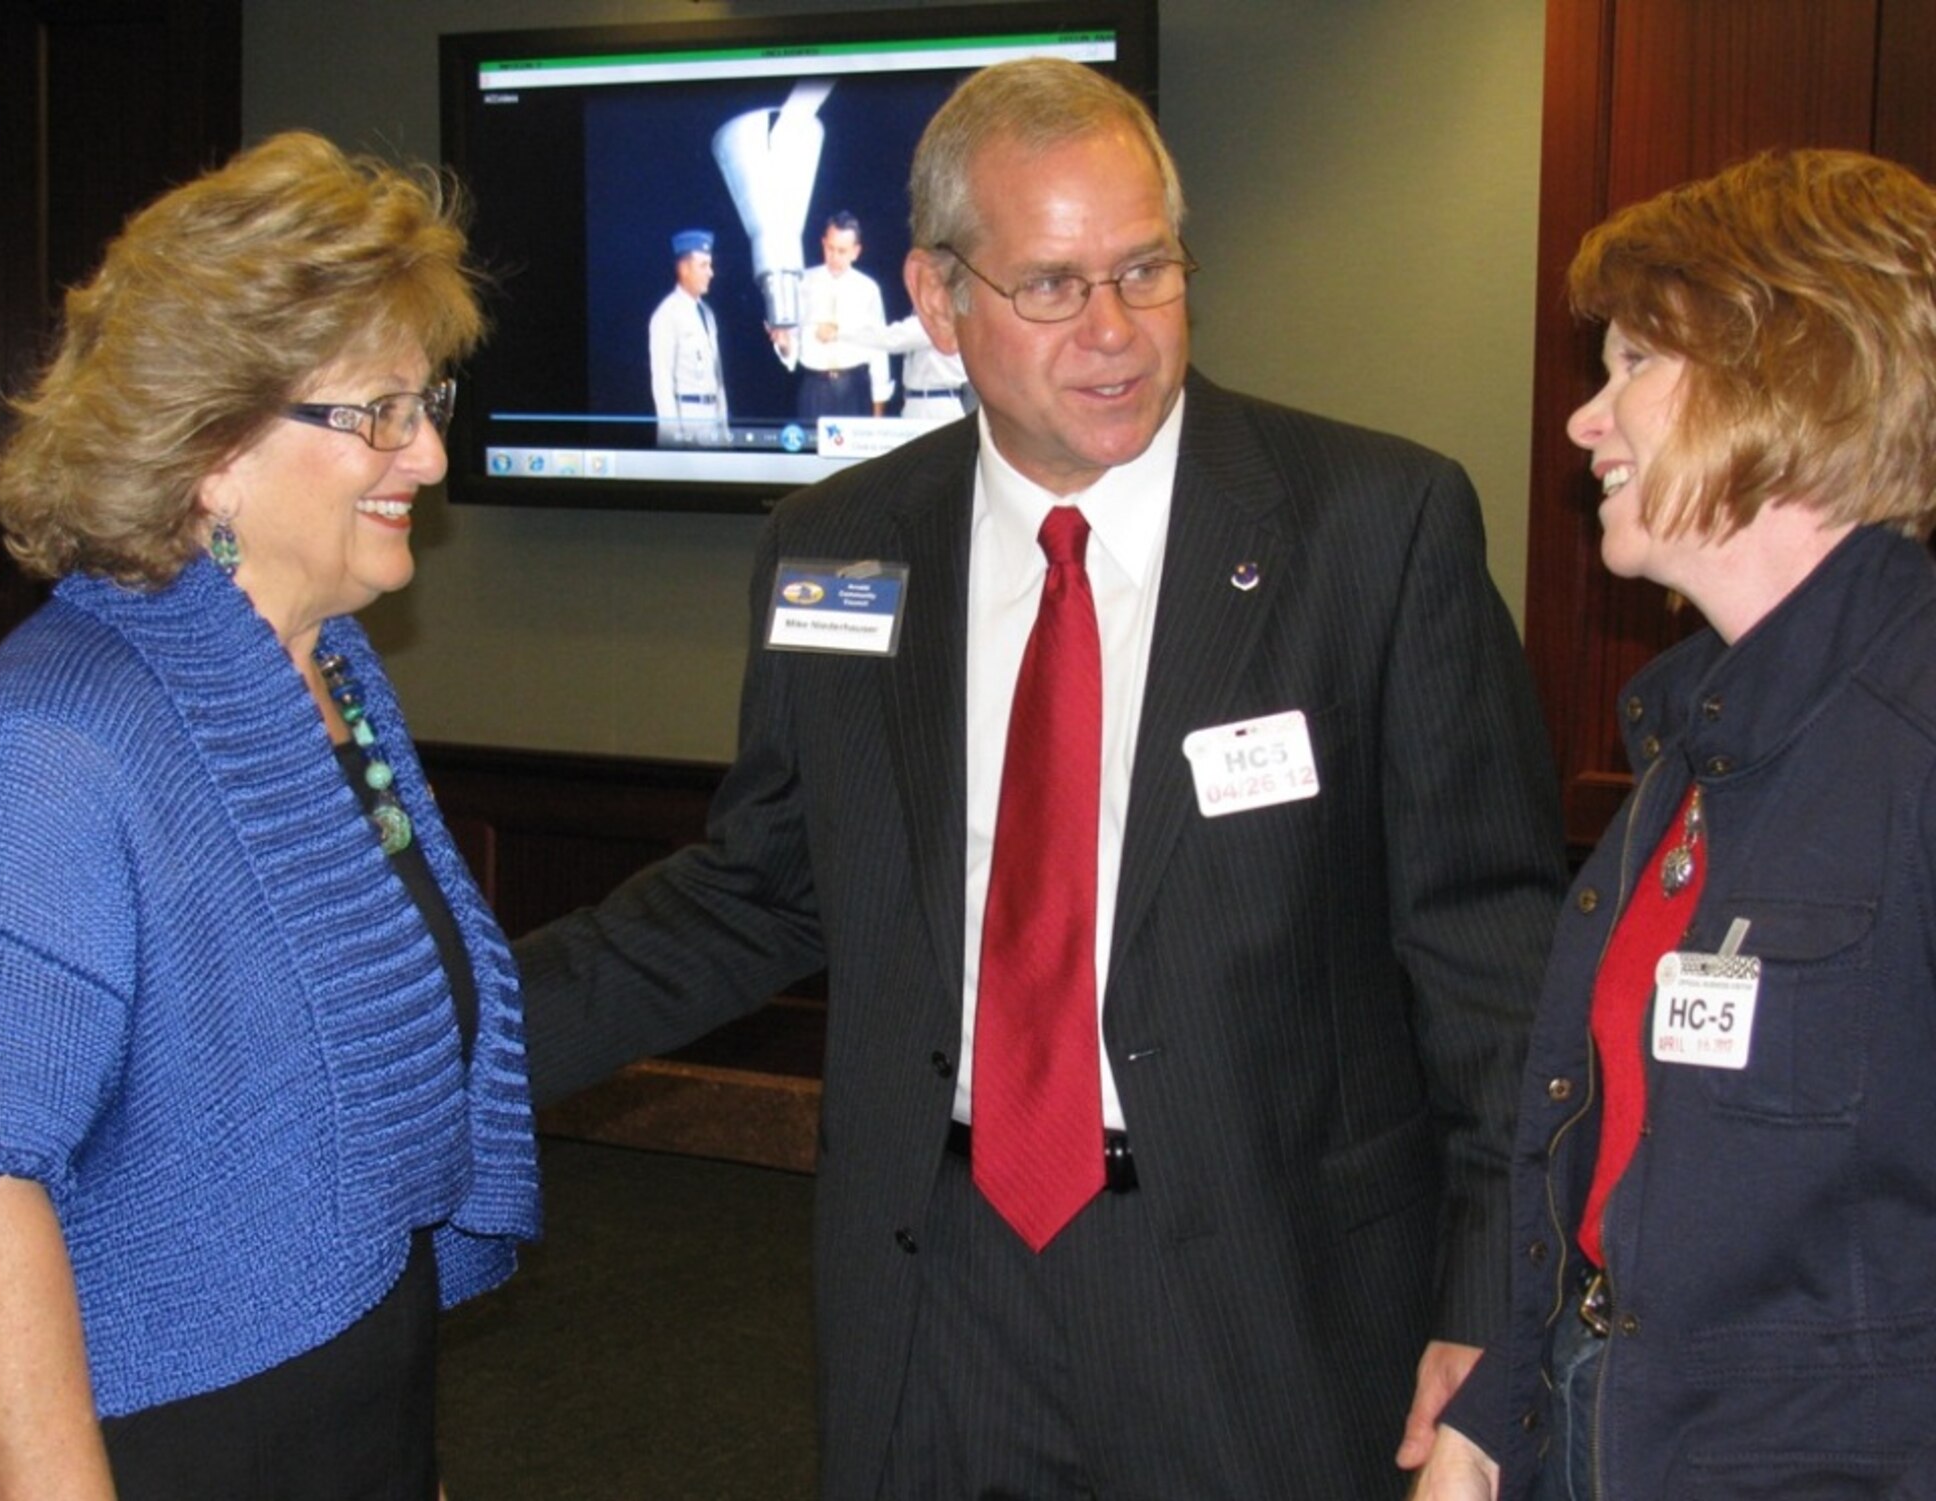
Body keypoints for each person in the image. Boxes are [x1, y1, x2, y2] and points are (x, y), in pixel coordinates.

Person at [520, 56, 1563, 1500]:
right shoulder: (842, 544)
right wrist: (442, 1041)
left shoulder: (1372, 533)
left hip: (1265, 1293)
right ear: (939, 300)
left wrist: (1492, 1289)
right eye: (1054, 285)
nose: (1117, 333)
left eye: (1147, 270)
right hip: (940, 1281)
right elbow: (760, 888)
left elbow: (1489, 950)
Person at [0, 131, 539, 1500]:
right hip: (153, 1450)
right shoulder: (52, 742)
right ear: (207, 446)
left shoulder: (323, 680)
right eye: (377, 412)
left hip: (347, 1414)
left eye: (427, 399)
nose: (429, 454)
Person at [1419, 149, 1936, 1500]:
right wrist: (1494, 1420)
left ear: (1796, 373)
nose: (1588, 423)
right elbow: (1608, 1164)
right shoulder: (1689, 740)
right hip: (1608, 1430)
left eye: (1634, 362)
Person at [768, 210, 894, 421]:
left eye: (842, 251)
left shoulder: (867, 289)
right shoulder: (803, 283)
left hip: (855, 388)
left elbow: (879, 350)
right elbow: (792, 349)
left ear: (856, 251)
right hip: (815, 388)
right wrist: (783, 344)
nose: (834, 257)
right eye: (830, 248)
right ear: (823, 243)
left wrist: (878, 412)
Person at [649, 227, 730, 447]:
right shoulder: (667, 315)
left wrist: (725, 432)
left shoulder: (707, 314)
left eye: (710, 265)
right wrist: (672, 441)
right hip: (687, 422)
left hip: (713, 422)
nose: (711, 272)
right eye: (703, 265)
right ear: (684, 269)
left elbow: (718, 379)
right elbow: (662, 384)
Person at [821, 310, 971, 421]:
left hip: (932, 405)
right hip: (928, 402)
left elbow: (892, 338)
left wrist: (840, 333)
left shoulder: (936, 319)